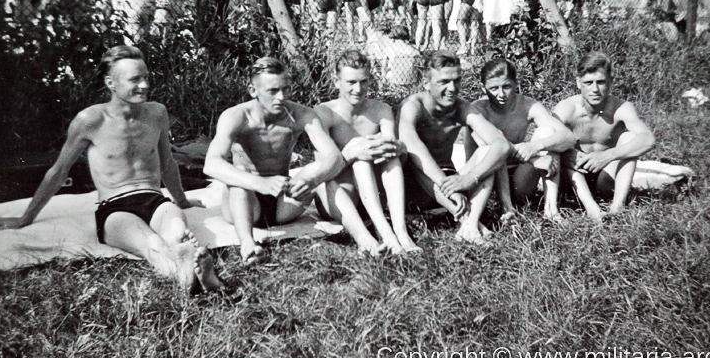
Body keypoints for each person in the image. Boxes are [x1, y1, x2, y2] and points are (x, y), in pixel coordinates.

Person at [0, 45, 223, 293]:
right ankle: (197, 276)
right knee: (151, 243)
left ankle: (189, 270)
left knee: (178, 233)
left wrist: (182, 201)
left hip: (155, 200)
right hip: (115, 208)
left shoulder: (156, 113)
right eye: (135, 79)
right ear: (111, 82)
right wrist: (27, 217)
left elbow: (167, 162)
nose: (144, 85)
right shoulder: (90, 120)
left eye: (146, 78)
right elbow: (59, 171)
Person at [203, 57, 345, 265]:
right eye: (272, 91)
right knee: (239, 174)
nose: (281, 97)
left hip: (283, 203)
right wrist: (259, 183)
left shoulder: (300, 114)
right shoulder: (237, 116)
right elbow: (212, 163)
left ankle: (358, 232)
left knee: (314, 168)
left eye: (285, 89)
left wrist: (313, 179)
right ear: (253, 90)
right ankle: (248, 245)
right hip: (246, 205)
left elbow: (334, 157)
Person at [314, 51, 420, 255]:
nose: (358, 89)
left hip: (374, 196)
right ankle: (385, 234)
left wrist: (395, 147)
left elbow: (391, 150)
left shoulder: (381, 109)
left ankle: (400, 232)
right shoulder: (324, 113)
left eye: (363, 81)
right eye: (351, 82)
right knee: (359, 154)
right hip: (341, 198)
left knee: (389, 154)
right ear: (337, 82)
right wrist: (352, 152)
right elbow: (323, 168)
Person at [398, 51, 511, 244]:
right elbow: (412, 145)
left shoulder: (461, 107)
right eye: (444, 82)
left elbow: (500, 144)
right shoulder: (413, 106)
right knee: (417, 158)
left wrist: (469, 178)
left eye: (456, 81)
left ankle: (470, 225)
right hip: (417, 187)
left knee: (488, 152)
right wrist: (449, 186)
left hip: (450, 183)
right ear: (426, 84)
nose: (452, 88)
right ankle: (468, 221)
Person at [467, 59, 575, 223]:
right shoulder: (477, 110)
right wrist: (534, 158)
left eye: (507, 87)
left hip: (519, 180)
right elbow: (495, 149)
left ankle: (551, 210)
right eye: (494, 88)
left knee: (547, 133)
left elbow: (568, 137)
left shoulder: (527, 105)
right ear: (484, 88)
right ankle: (507, 209)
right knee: (496, 138)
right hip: (487, 179)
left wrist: (535, 146)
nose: (501, 94)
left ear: (516, 84)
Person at [553, 52, 656, 221]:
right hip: (573, 178)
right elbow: (548, 138)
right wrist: (569, 154)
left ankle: (617, 208)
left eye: (600, 82)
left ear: (610, 82)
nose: (595, 89)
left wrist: (607, 155)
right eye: (588, 83)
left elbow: (648, 139)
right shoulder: (567, 108)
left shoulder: (621, 107)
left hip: (605, 179)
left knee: (630, 138)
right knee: (563, 146)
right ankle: (591, 207)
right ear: (578, 83)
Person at [365, 22, 422, 88]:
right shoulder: (415, 51)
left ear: (393, 37)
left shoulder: (389, 49)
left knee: (386, 68)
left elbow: (384, 67)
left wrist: (383, 79)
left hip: (394, 80)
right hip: (412, 80)